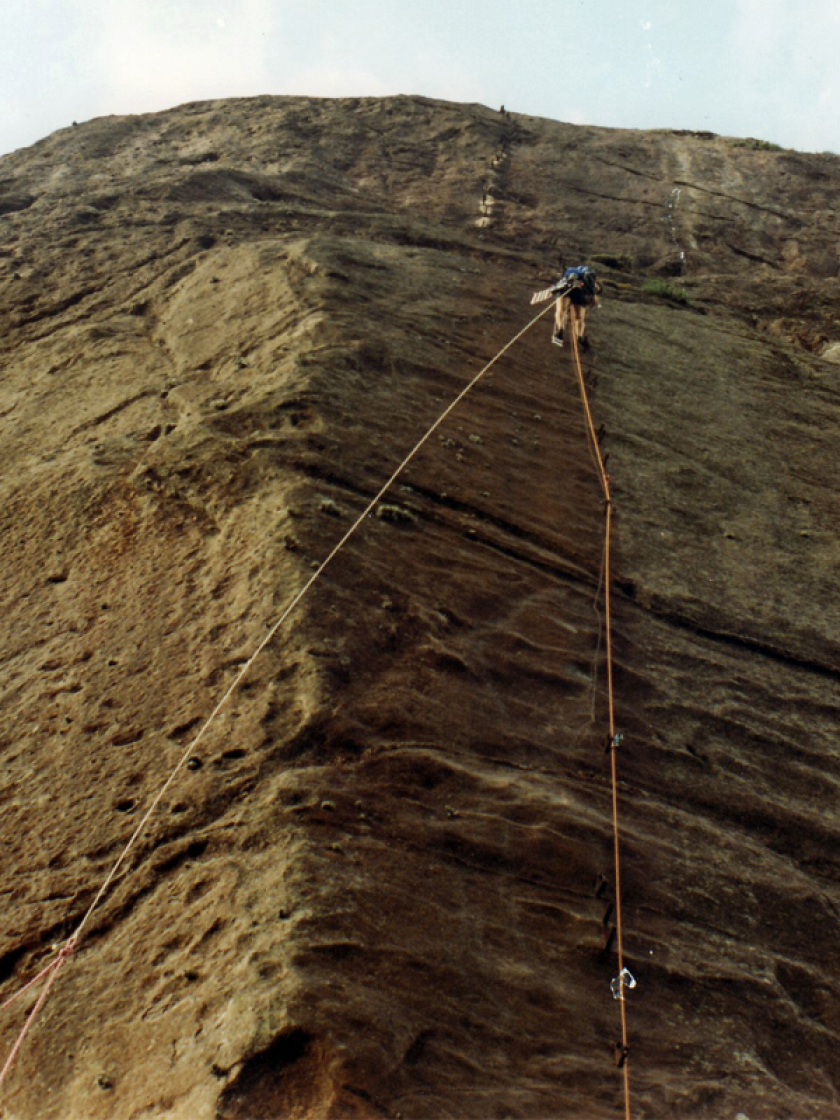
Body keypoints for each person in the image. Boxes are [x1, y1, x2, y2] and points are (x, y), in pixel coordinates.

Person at [552, 265, 602, 349]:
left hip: (566, 285)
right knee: (578, 317)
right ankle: (580, 336)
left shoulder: (573, 271)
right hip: (578, 290)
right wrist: (593, 294)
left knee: (560, 310)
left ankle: (560, 329)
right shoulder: (589, 275)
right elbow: (589, 275)